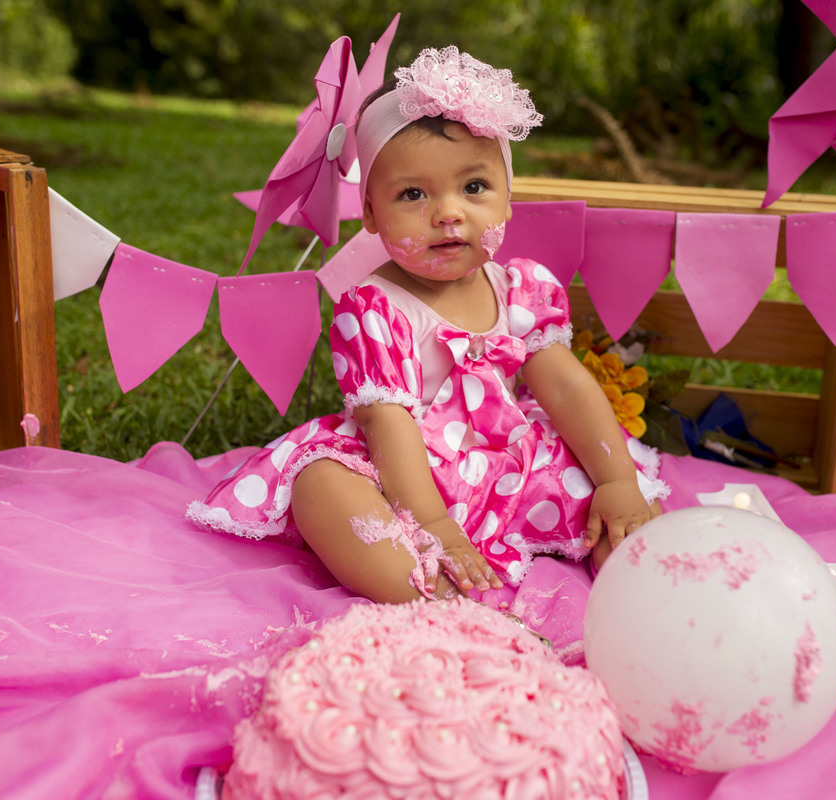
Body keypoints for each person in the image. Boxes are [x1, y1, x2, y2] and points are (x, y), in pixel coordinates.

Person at [188, 46, 667, 604]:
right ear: (370, 213)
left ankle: (645, 588)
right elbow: (388, 425)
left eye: (474, 188)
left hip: (506, 462)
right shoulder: (374, 307)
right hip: (405, 472)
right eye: (413, 194)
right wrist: (433, 526)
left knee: (624, 504)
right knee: (322, 486)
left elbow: (564, 384)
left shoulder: (522, 289)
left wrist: (616, 483)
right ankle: (432, 597)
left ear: (508, 200)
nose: (448, 212)